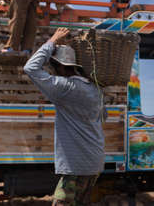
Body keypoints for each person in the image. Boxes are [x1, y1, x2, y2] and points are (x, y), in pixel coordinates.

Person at [24, 27, 105, 206]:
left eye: (53, 66)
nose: (52, 70)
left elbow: (30, 68)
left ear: (60, 67)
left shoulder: (64, 88)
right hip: (94, 162)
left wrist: (52, 41)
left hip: (76, 165)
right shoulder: (95, 89)